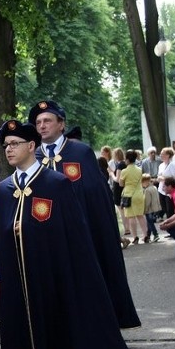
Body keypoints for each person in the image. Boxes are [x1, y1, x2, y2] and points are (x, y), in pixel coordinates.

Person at [0, 119, 130, 349]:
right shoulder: (4, 189)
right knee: (17, 326)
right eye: (6, 145)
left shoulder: (55, 183)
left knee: (62, 318)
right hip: (18, 273)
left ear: (32, 146)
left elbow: (73, 230)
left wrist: (34, 233)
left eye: (15, 144)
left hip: (52, 268)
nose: (9, 150)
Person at [28, 100, 140, 330]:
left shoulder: (80, 152)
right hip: (46, 236)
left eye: (47, 120)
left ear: (61, 124)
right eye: (38, 122)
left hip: (81, 233)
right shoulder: (33, 156)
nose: (42, 126)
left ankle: (97, 328)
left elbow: (96, 197)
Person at [119, 150, 146, 245]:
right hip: (139, 193)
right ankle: (145, 234)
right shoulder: (139, 170)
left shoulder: (124, 171)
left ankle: (135, 237)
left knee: (131, 217)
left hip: (129, 195)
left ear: (127, 159)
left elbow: (121, 184)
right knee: (140, 215)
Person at [157, 147, 175, 219]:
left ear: (168, 155)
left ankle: (172, 225)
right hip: (162, 189)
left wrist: (164, 178)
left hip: (170, 189)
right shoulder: (161, 165)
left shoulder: (172, 165)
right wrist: (159, 178)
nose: (161, 155)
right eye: (160, 154)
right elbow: (159, 176)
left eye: (162, 154)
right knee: (163, 207)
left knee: (170, 209)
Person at [142, 174, 161, 243]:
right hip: (156, 208)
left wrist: (145, 210)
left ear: (145, 181)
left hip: (149, 210)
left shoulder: (147, 190)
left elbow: (147, 202)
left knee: (150, 223)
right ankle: (148, 235)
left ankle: (155, 234)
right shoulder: (154, 188)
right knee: (149, 223)